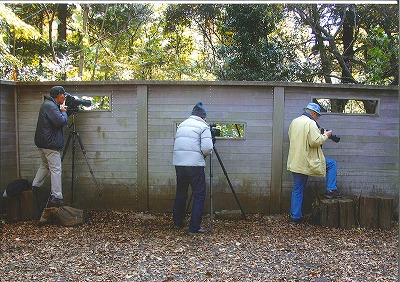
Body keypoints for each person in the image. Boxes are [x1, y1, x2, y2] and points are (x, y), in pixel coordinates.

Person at [287, 102, 341, 225]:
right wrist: (326, 135)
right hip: (308, 160)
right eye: (317, 115)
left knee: (297, 190)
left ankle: (295, 218)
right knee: (332, 164)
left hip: (296, 161)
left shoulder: (294, 122)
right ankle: (331, 190)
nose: (317, 118)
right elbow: (314, 142)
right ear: (313, 113)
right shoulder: (311, 123)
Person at [172, 102, 214, 235]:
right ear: (203, 116)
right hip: (195, 165)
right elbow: (207, 148)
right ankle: (194, 228)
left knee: (181, 193)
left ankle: (178, 222)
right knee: (199, 195)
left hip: (179, 163)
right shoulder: (203, 126)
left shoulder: (182, 124)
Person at [32, 86, 68, 207]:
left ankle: (35, 186)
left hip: (43, 143)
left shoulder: (48, 104)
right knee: (56, 169)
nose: (65, 97)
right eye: (63, 94)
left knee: (45, 165)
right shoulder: (51, 106)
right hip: (50, 144)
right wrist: (64, 112)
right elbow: (61, 122)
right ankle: (57, 197)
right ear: (58, 95)